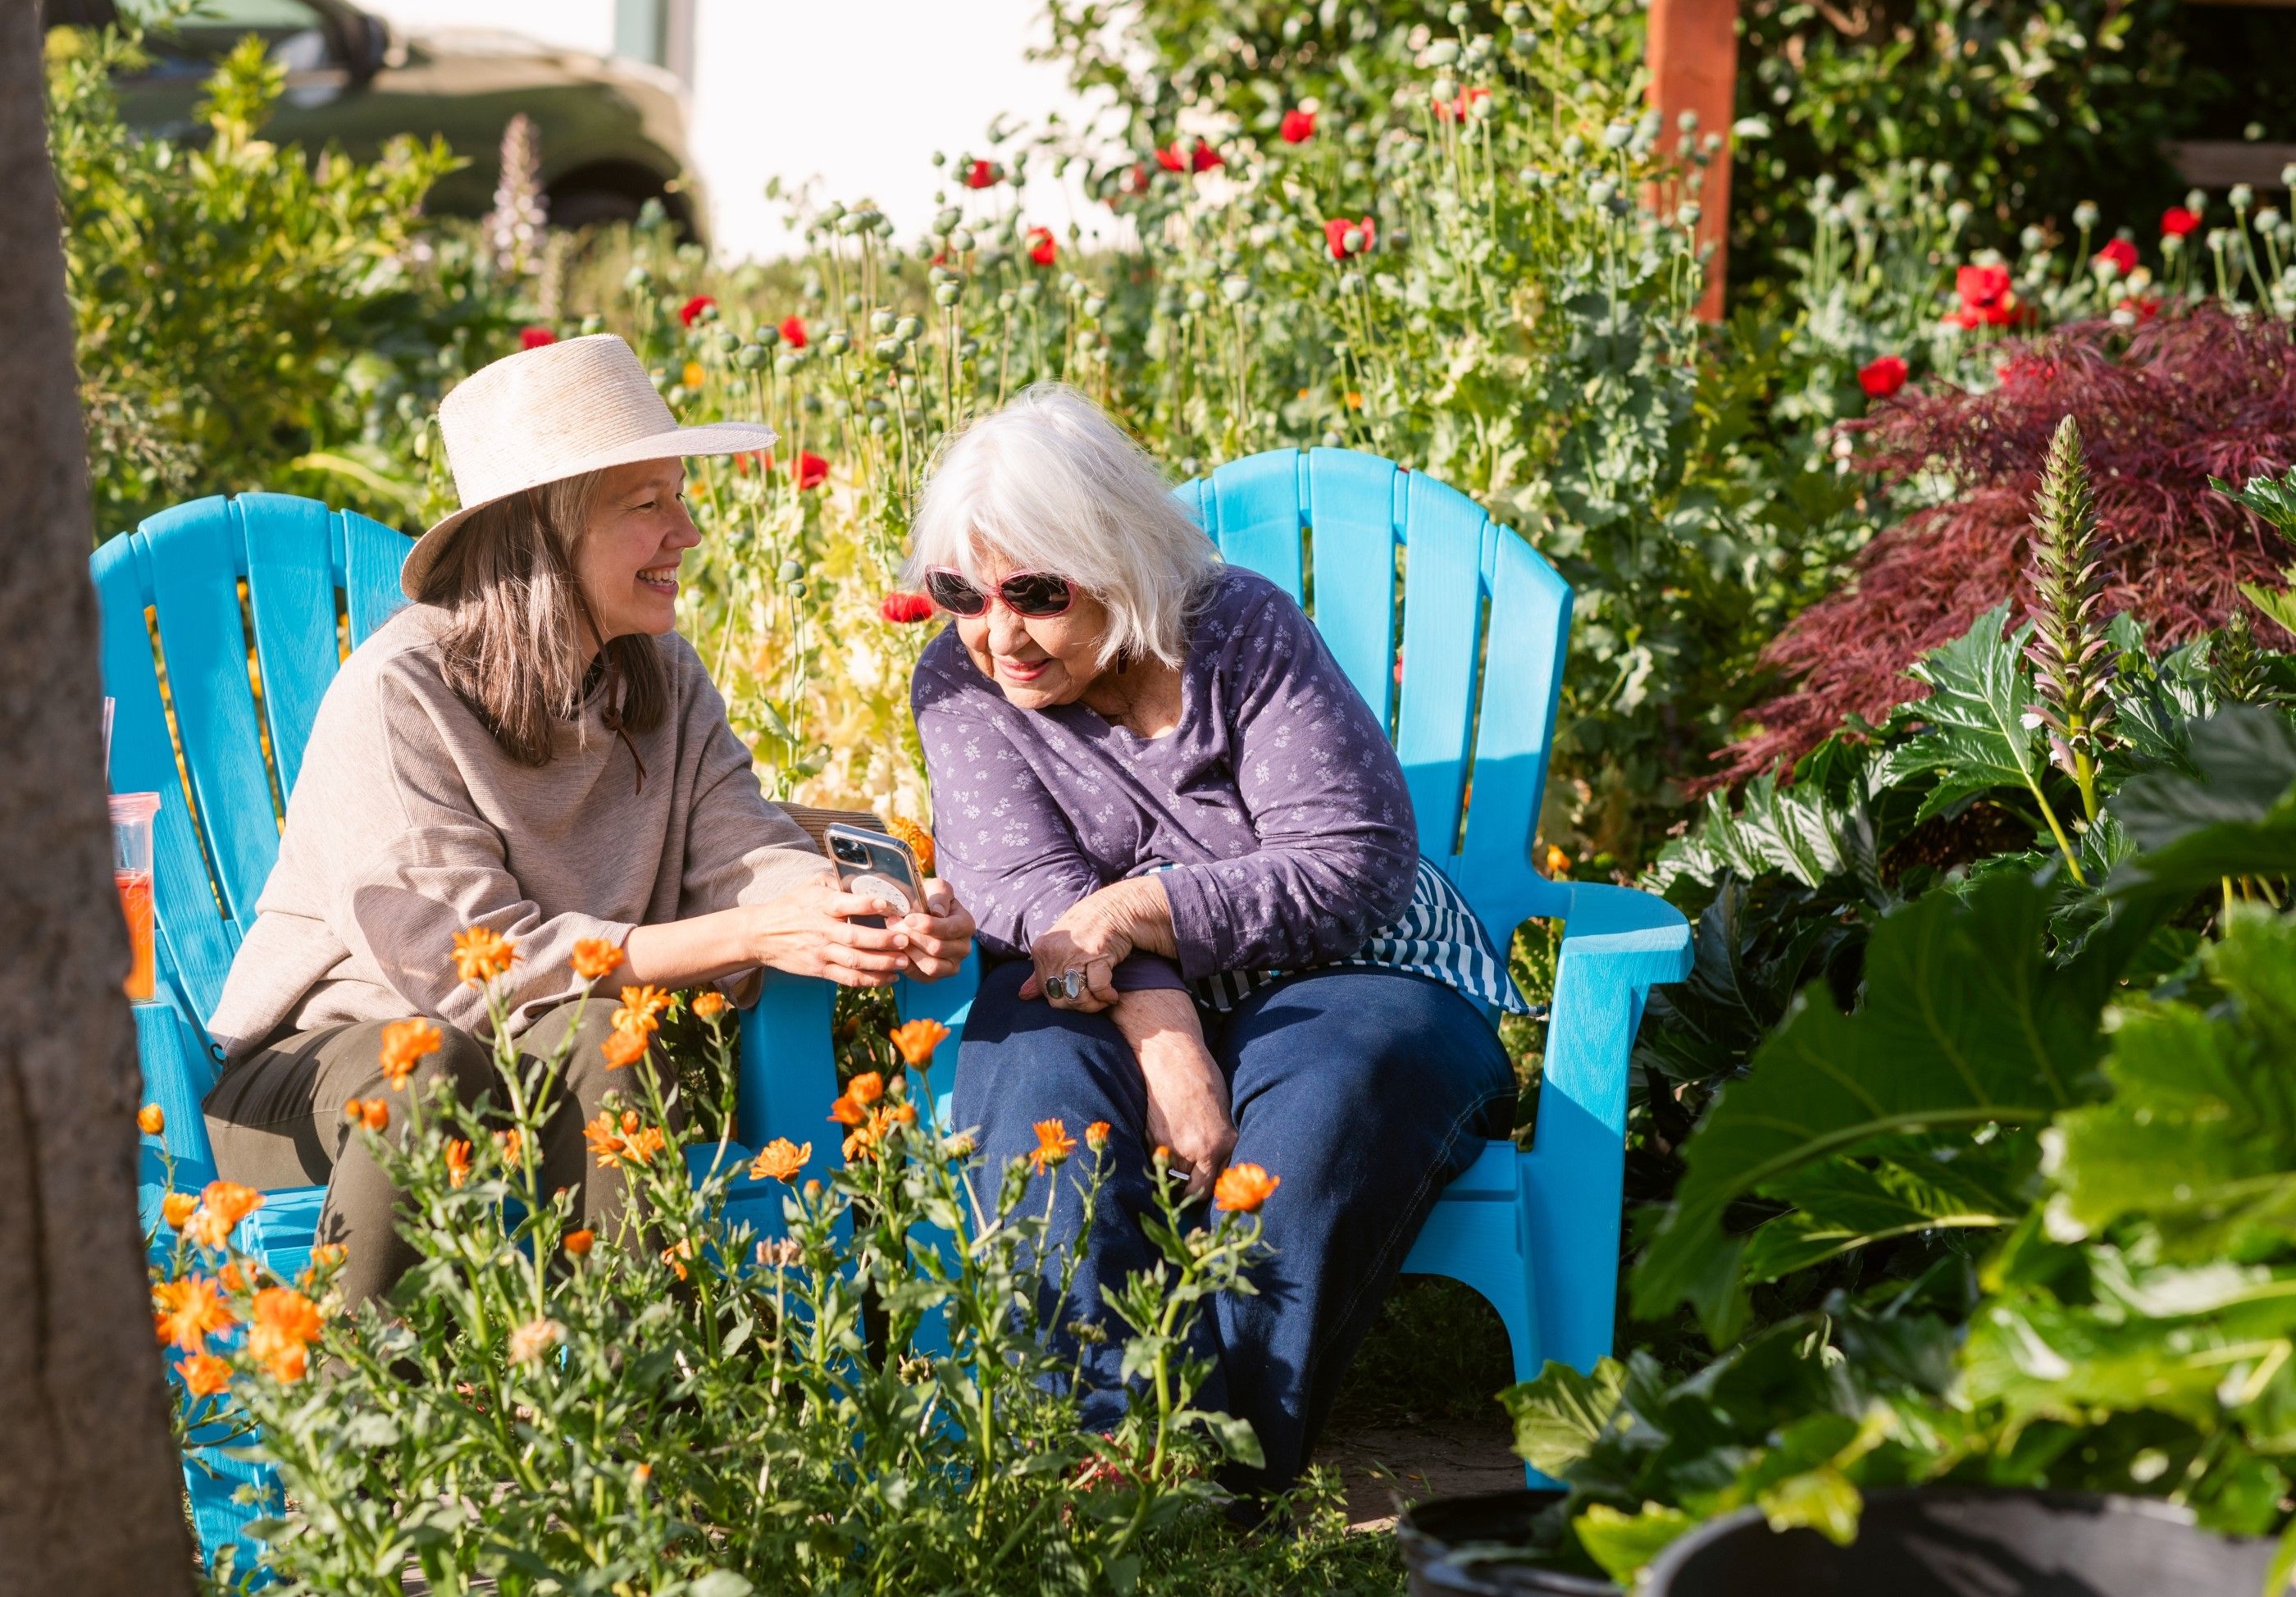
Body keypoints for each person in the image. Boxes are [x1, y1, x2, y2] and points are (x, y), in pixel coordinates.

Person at [203, 334, 974, 1305]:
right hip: (323, 1077)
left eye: (679, 496)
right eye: (647, 504)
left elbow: (743, 850)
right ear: (542, 533)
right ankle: (373, 1435)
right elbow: (470, 973)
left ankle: (625, 1426)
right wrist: (745, 933)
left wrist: (844, 907)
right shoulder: (403, 694)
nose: (685, 532)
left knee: (614, 1050)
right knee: (432, 1069)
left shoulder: (663, 681)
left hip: (522, 1064)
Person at [907, 385, 1524, 1494]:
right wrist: (1167, 1029)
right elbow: (1025, 887)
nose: (998, 633)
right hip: (1089, 965)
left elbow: (1353, 860)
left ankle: (1201, 1489)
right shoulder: (963, 678)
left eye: (1037, 594)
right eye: (963, 591)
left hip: (1351, 960)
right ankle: (1092, 1457)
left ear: (1121, 562)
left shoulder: (1240, 630)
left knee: (1328, 1101)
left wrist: (1138, 908)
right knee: (1038, 1088)